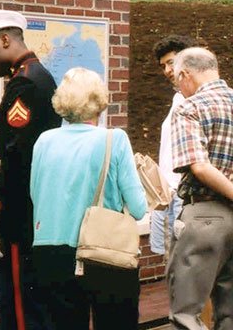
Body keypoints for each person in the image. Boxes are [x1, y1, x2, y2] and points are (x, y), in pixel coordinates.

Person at [29, 67, 147, 329]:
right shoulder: (114, 139)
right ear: (99, 103)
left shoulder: (44, 141)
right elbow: (138, 208)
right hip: (102, 252)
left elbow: (35, 194)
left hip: (50, 253)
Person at [0, 10, 60, 330]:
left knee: (20, 311)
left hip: (21, 218)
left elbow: (17, 160)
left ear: (5, 40)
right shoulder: (37, 76)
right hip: (36, 212)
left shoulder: (25, 84)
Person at [168, 47, 233, 330]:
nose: (179, 89)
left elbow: (200, 166)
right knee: (230, 311)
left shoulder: (190, 107)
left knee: (186, 312)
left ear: (185, 74)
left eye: (176, 81)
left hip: (205, 214)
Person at [149, 35, 201, 256]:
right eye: (163, 66)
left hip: (184, 196)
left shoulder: (197, 99)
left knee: (184, 267)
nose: (167, 70)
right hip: (169, 194)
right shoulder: (179, 98)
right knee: (171, 265)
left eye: (171, 62)